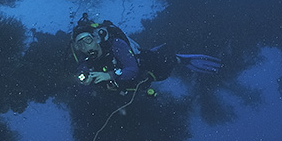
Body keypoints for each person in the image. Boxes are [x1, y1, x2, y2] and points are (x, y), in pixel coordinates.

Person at [69, 14, 221, 94]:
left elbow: (132, 69)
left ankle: (181, 59)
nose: (85, 46)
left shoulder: (116, 45)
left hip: (146, 66)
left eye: (87, 40)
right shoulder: (84, 60)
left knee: (163, 70)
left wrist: (110, 75)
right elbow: (82, 80)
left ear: (96, 38)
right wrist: (84, 81)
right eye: (80, 44)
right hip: (128, 85)